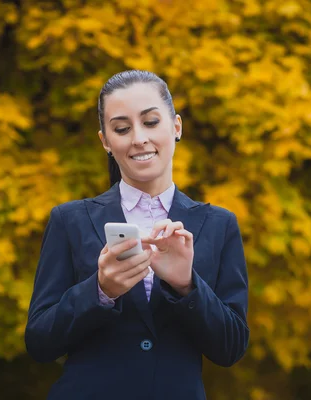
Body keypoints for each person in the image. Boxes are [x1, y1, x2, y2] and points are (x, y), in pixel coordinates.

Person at [25, 70, 249, 400]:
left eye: (150, 122)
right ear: (105, 141)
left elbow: (230, 348)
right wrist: (100, 291)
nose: (138, 138)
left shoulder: (220, 225)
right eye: (122, 128)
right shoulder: (68, 220)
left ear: (176, 127)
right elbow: (40, 342)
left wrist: (187, 286)